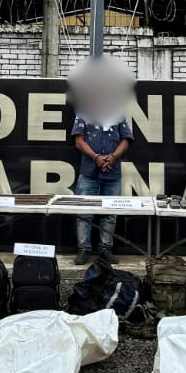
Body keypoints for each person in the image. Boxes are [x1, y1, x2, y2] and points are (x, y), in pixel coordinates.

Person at [66, 54, 135, 266]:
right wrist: (96, 157)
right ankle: (84, 249)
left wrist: (112, 157)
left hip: (112, 171)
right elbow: (78, 141)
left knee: (110, 214)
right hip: (89, 170)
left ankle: (105, 250)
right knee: (84, 213)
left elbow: (126, 139)